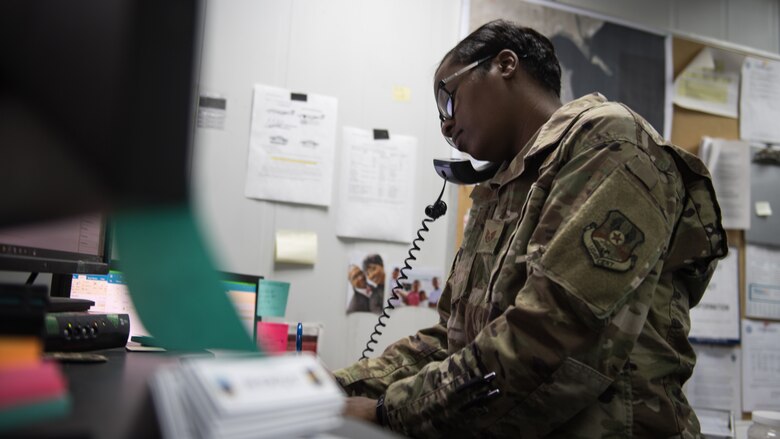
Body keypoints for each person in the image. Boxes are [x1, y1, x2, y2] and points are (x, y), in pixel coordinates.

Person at [335, 19, 726, 438]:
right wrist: (337, 387)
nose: (446, 126)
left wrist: (388, 411)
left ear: (505, 64)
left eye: (449, 101)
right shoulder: (502, 187)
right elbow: (452, 339)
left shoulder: (610, 143)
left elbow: (554, 336)